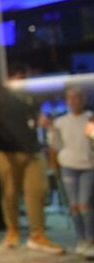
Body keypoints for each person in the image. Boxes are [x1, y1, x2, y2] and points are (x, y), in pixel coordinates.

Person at [0, 66, 65, 254]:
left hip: (32, 149)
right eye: (22, 77)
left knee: (37, 191)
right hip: (5, 151)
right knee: (10, 192)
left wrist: (44, 121)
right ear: (13, 76)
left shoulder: (29, 95)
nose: (24, 80)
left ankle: (37, 235)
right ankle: (12, 230)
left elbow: (37, 115)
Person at [48, 86, 94, 258]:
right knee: (74, 206)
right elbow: (55, 145)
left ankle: (90, 239)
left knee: (85, 205)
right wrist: (54, 165)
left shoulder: (89, 118)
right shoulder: (60, 122)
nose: (74, 102)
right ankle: (81, 239)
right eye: (71, 98)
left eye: (77, 98)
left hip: (88, 166)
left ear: (83, 99)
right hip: (68, 165)